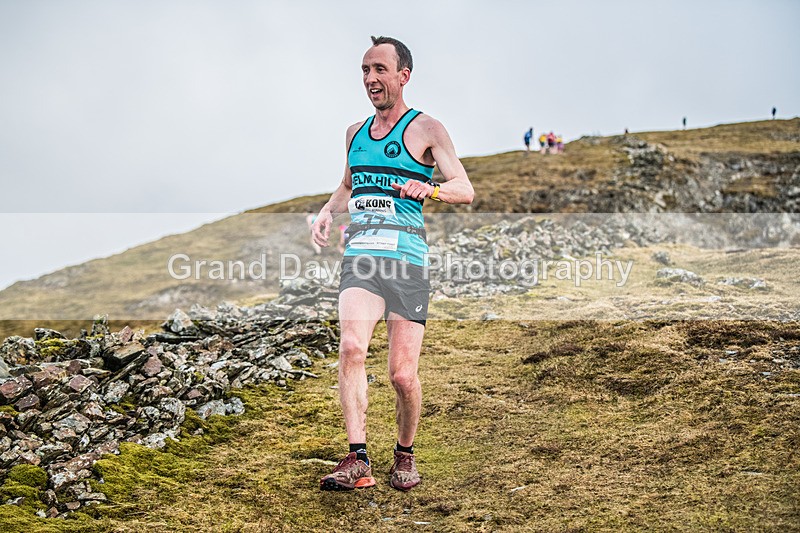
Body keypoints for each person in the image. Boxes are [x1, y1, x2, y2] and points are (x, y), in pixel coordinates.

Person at [310, 36, 474, 492]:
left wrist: (433, 190)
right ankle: (357, 458)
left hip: (407, 263)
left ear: (403, 75)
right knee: (350, 349)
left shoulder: (427, 130)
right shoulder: (354, 134)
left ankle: (405, 453)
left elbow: (465, 187)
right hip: (361, 260)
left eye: (380, 69)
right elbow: (347, 187)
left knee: (402, 374)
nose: (370, 79)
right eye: (365, 70)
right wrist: (326, 211)